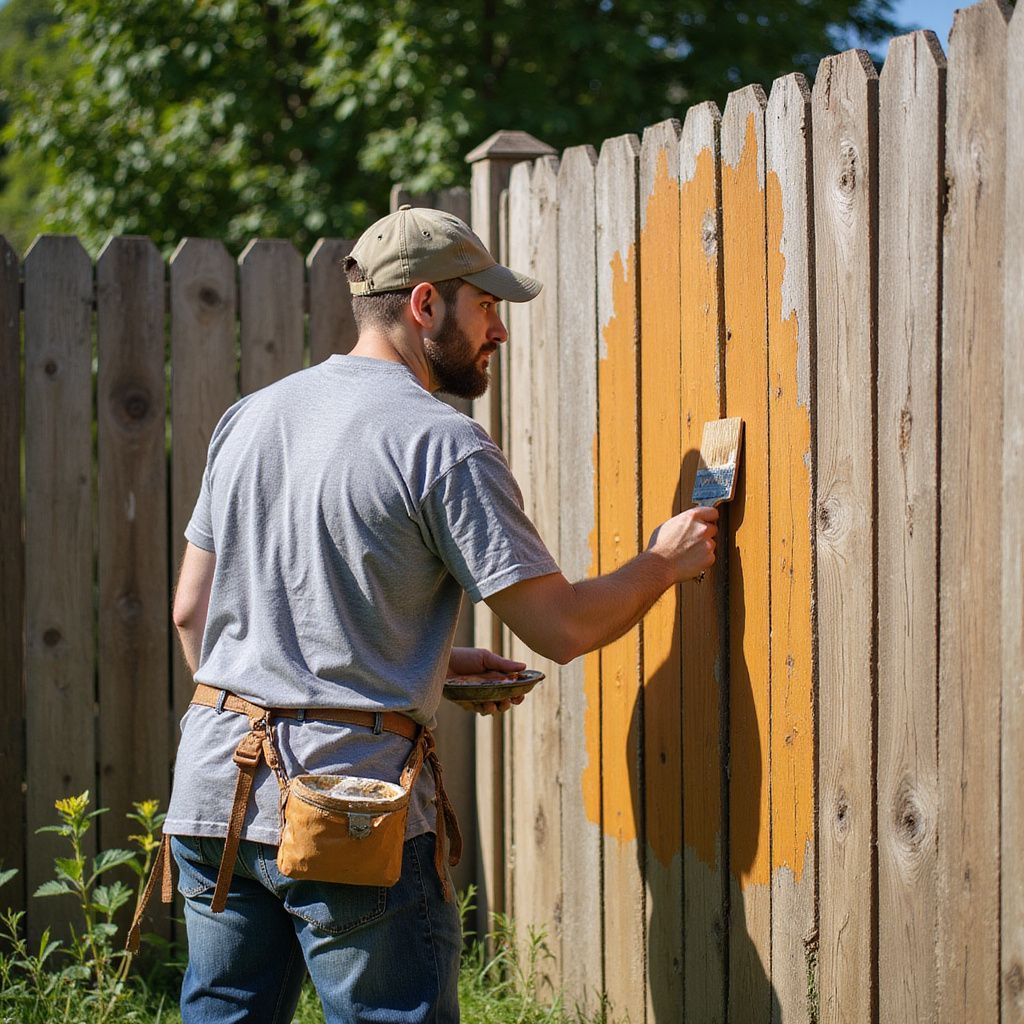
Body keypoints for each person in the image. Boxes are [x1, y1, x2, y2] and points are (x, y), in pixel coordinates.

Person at [158, 205, 718, 1024]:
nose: (498, 331)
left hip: (212, 791)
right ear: (425, 306)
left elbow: (192, 613)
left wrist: (423, 663)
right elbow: (561, 627)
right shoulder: (440, 442)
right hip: (347, 802)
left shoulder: (249, 418)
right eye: (485, 307)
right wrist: (661, 563)